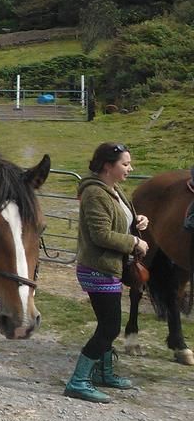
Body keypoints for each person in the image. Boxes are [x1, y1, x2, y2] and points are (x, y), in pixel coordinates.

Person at [64, 142, 149, 403]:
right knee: (110, 327)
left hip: (109, 267)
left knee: (108, 324)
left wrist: (138, 221)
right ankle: (77, 381)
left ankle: (104, 373)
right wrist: (135, 242)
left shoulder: (112, 189)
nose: (130, 168)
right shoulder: (95, 194)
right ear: (107, 166)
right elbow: (100, 235)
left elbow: (118, 220)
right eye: (125, 164)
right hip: (97, 268)